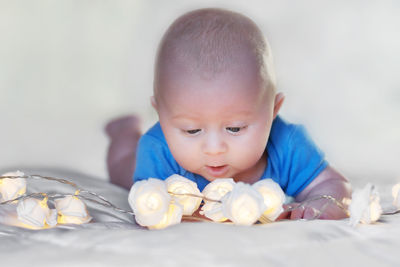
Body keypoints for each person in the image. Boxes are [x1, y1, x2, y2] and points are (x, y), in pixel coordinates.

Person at [105, 8, 351, 220]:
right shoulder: (159, 151)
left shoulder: (287, 145)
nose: (214, 149)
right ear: (160, 114)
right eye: (192, 130)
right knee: (123, 168)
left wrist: (324, 202)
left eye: (234, 128)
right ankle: (125, 133)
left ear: (273, 110)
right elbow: (148, 206)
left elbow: (331, 185)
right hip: (141, 161)